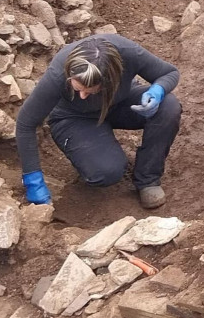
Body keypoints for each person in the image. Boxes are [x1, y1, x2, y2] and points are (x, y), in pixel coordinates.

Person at [15, 33, 181, 210]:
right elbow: (26, 123)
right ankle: (97, 151)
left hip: (118, 103)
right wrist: (33, 180)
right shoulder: (58, 72)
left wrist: (157, 91)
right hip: (74, 118)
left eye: (89, 91)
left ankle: (148, 179)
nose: (82, 95)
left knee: (168, 105)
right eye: (78, 88)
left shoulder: (127, 52)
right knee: (105, 172)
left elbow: (169, 72)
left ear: (110, 78)